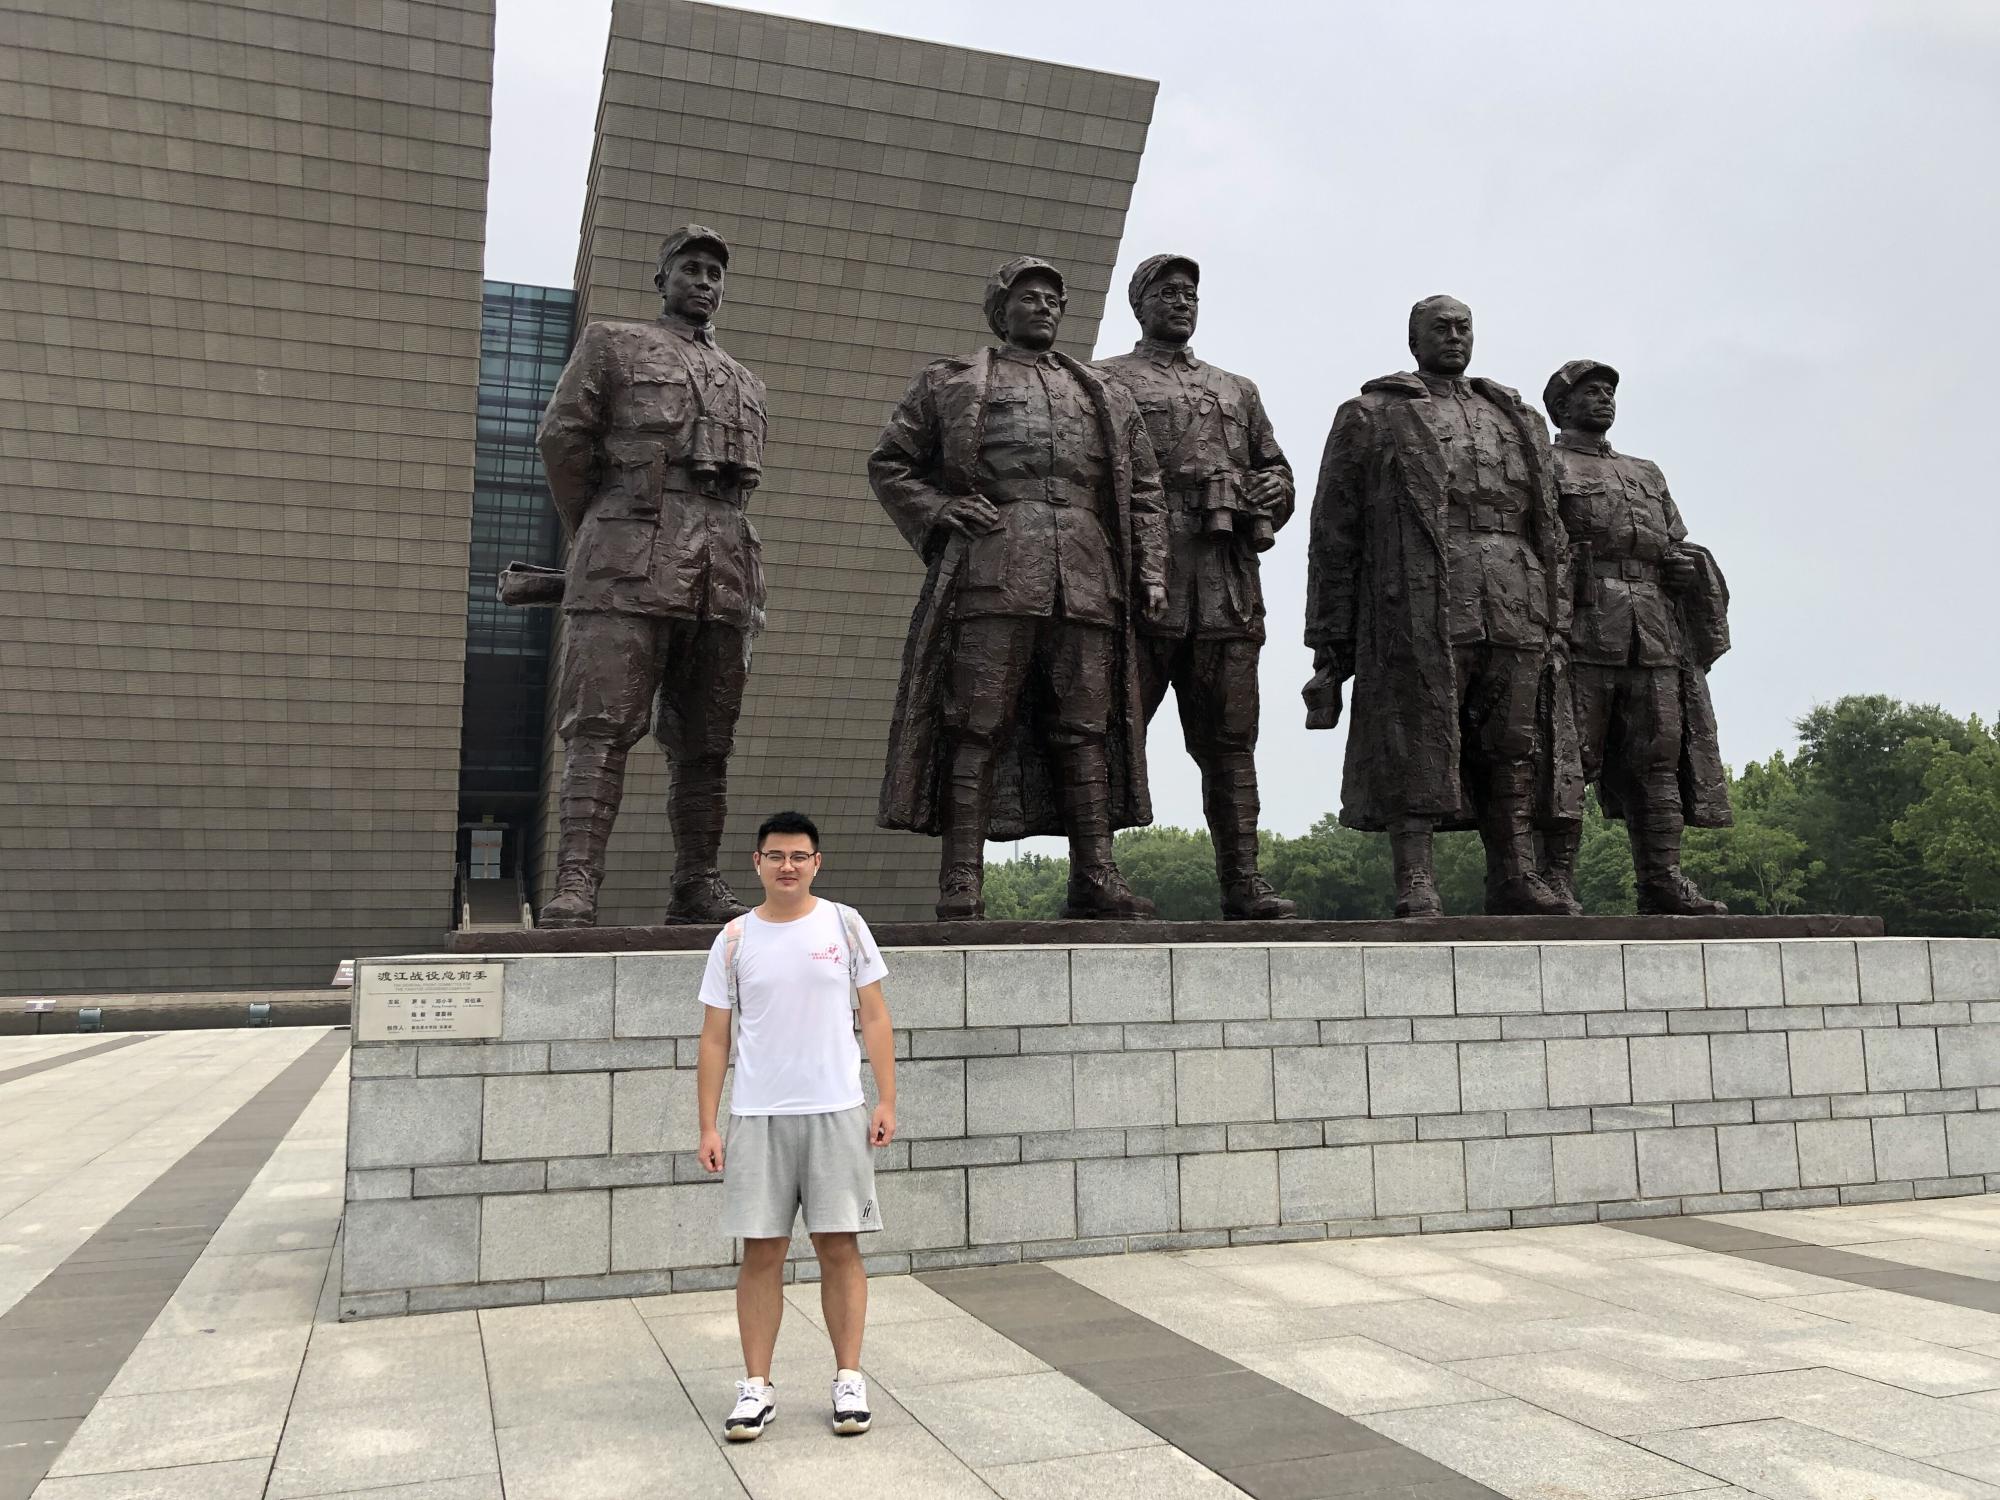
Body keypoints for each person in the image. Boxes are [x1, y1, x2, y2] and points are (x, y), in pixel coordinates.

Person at [871, 255, 1170, 920]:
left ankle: (1095, 873)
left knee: (1085, 725)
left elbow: (1145, 491)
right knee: (975, 721)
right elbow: (891, 462)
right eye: (1029, 297)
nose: (1044, 307)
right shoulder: (951, 381)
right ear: (1000, 310)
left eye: (1053, 299)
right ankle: (961, 878)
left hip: (1087, 577)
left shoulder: (1104, 393)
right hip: (994, 569)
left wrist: (1151, 570)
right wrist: (939, 509)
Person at [1302, 295, 1580, 916]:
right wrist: (1330, 640)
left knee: (1514, 741)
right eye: (1441, 328)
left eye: (1463, 327)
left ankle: (1514, 873)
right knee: (1415, 733)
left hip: (1515, 593)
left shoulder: (1517, 417)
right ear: (1414, 340)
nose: (1454, 337)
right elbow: (1334, 531)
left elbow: (1552, 525)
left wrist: (1557, 615)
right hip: (1419, 593)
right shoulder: (1371, 414)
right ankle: (1417, 879)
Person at [534, 224, 768, 927]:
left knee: (707, 739)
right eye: (691, 269)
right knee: (600, 725)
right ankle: (576, 882)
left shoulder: (745, 381)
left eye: (715, 274)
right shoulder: (613, 343)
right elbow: (563, 440)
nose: (704, 282)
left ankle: (696, 882)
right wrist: (600, 525)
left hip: (722, 567)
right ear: (661, 278)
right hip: (626, 556)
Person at [1095, 254, 1298, 919]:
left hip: (1225, 577)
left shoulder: (1237, 389)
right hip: (1139, 579)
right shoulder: (1105, 380)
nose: (1181, 302)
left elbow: (1277, 471)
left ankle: (1244, 880)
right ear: (1140, 305)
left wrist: (1272, 491)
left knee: (1231, 739)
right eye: (1167, 293)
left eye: (1189, 294)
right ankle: (1095, 877)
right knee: (1111, 730)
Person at [695, 810, 896, 1441]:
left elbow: (875, 1016)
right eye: (776, 855)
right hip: (758, 1115)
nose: (788, 865)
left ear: (816, 863)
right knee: (762, 1251)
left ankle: (849, 1379)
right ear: (757, 863)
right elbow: (714, 1036)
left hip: (837, 1109)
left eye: (799, 855)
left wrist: (886, 1099)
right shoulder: (734, 939)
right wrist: (708, 1125)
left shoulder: (845, 924)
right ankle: (756, 1387)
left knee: (840, 1245)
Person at [1540, 360, 1731, 913]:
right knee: (1568, 758)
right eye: (1590, 392)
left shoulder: (1645, 472)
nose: (1604, 399)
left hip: (1653, 633)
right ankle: (1554, 880)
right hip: (1582, 631)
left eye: (1609, 392)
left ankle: (1663, 880)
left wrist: (1688, 569)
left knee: (1659, 760)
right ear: (1561, 407)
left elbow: (1674, 541)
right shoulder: (1545, 464)